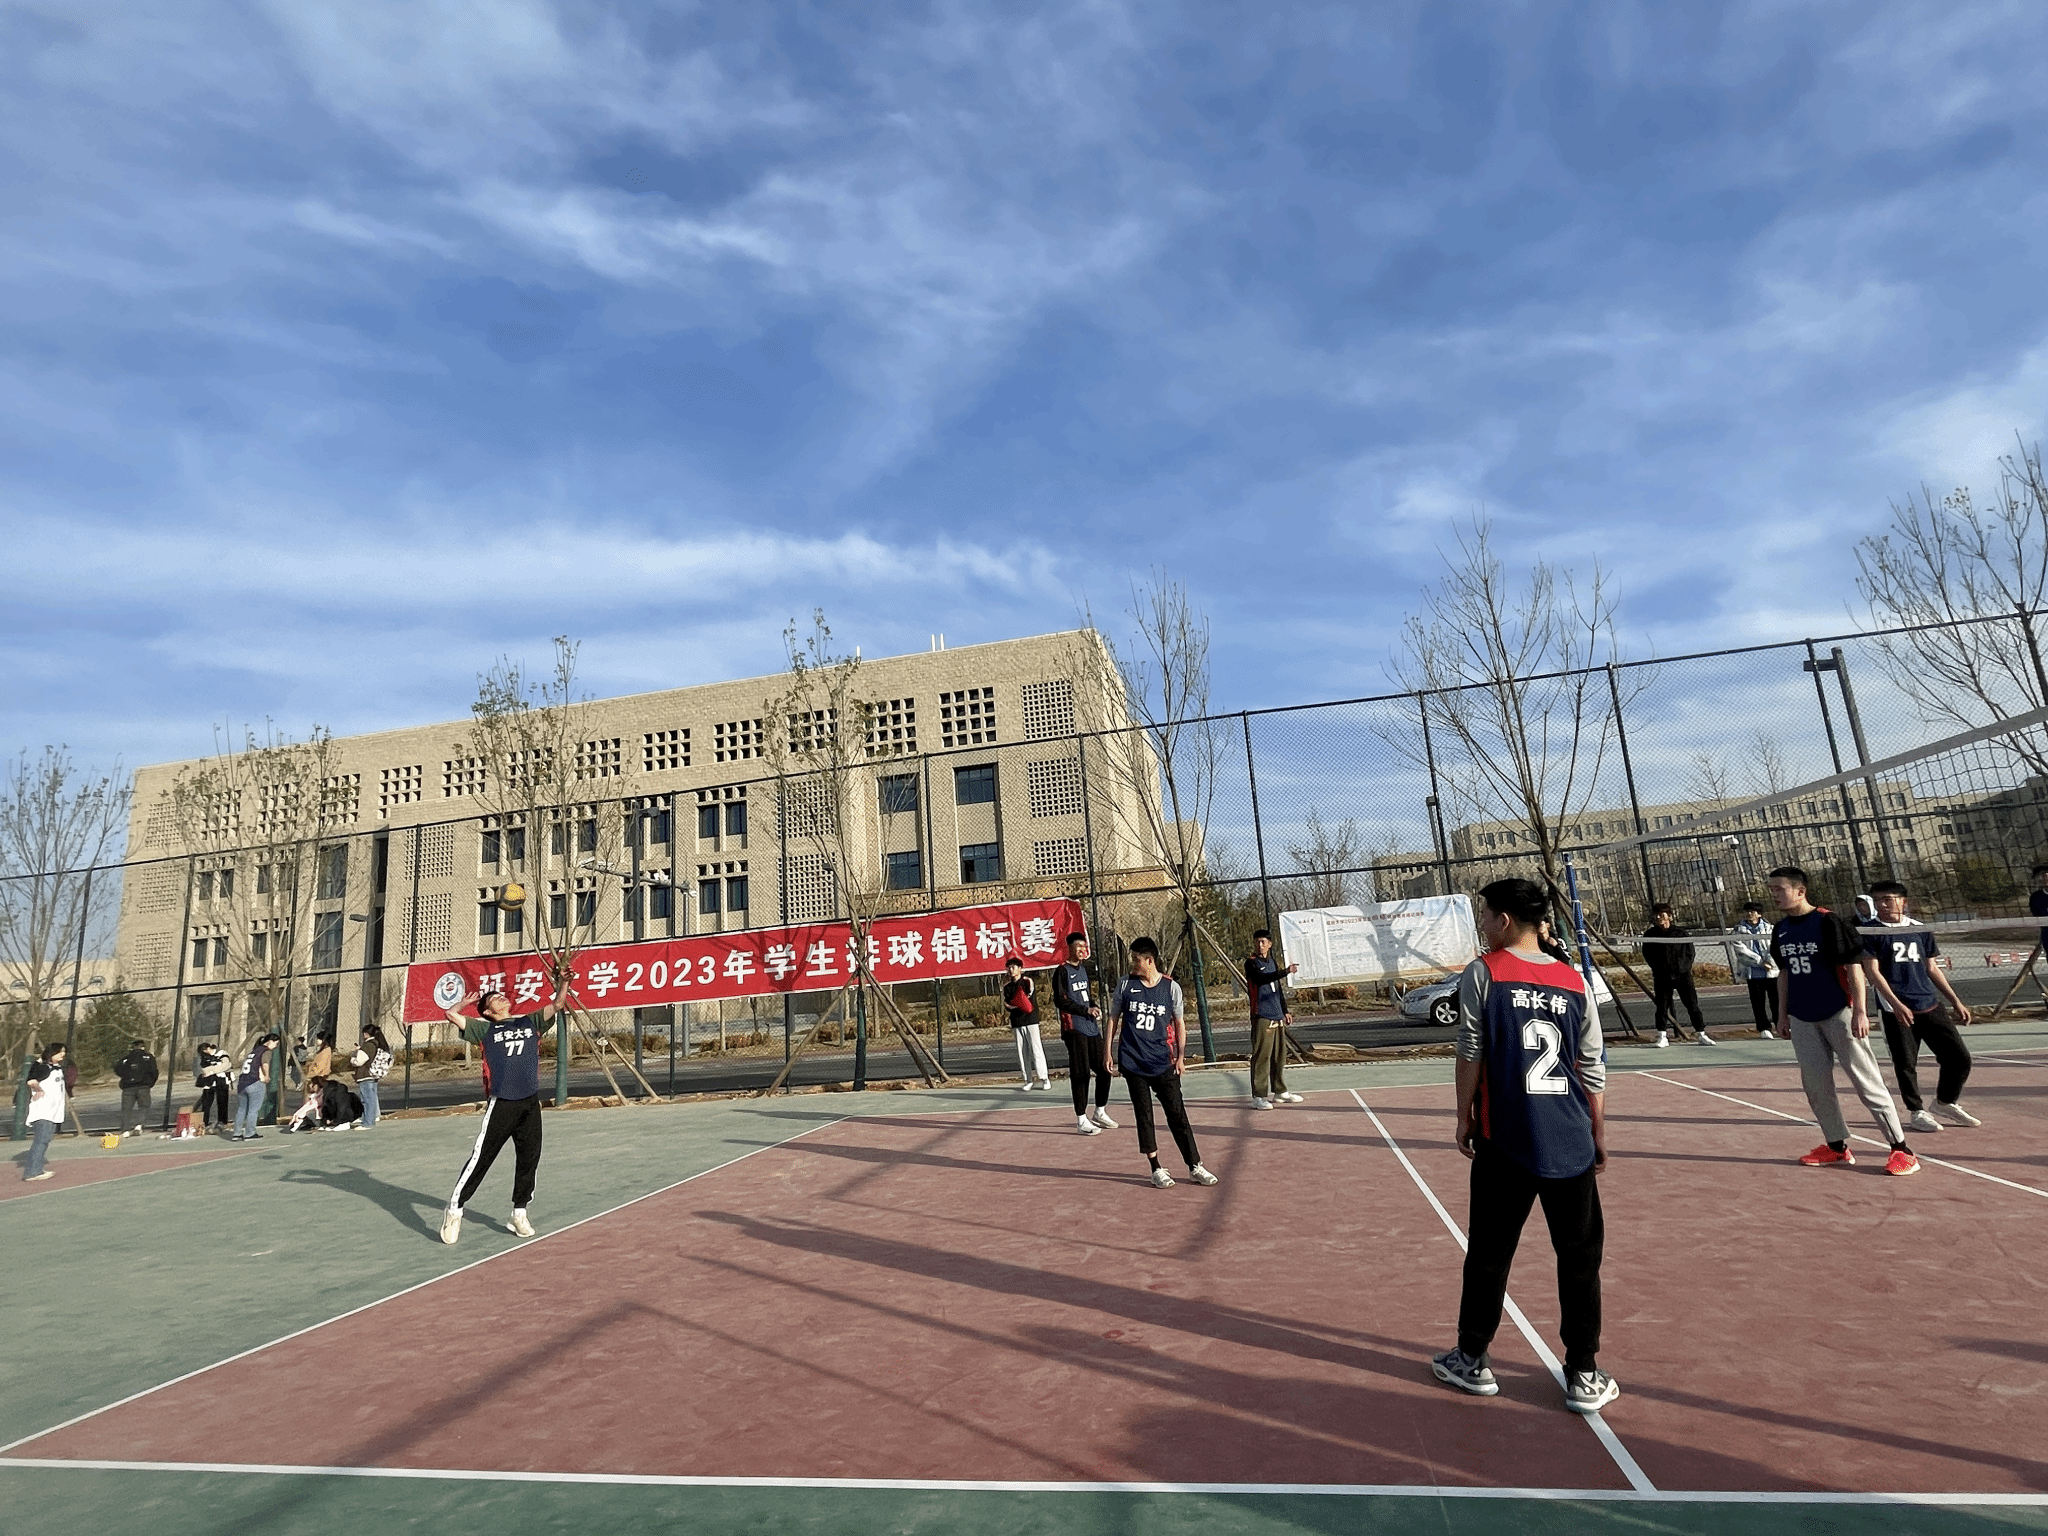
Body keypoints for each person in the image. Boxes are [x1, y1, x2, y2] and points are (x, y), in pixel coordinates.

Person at [1430, 878, 1616, 1415]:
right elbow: (1592, 1065)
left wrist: (1463, 1116)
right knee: (1579, 1258)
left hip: (1505, 1138)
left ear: (1505, 920)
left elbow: (1471, 1048)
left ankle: (1472, 1358)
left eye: (1485, 915)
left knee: (1489, 1253)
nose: (1483, 925)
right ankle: (1584, 1371)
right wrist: (1597, 1131)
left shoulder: (1485, 972)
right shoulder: (1574, 980)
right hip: (1570, 1137)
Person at [1768, 867, 1918, 1175]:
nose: (1775, 895)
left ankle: (1901, 1149)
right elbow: (1785, 973)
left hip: (1839, 1012)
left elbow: (1854, 968)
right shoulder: (1780, 929)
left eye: (1779, 889)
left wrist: (1860, 1011)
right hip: (1802, 1017)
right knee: (1816, 1086)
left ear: (1800, 891)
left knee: (1866, 1082)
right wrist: (1782, 1015)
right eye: (1772, 890)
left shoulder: (1829, 921)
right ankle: (1836, 1146)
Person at [440, 984, 568, 1244]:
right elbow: (450, 1014)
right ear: (488, 1012)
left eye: (501, 996)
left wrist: (564, 982)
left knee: (529, 1158)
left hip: (529, 1102)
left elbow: (557, 1004)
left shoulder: (529, 1022)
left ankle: (519, 1213)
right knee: (482, 1158)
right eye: (495, 999)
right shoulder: (484, 1030)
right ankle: (455, 1210)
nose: (501, 998)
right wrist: (464, 1003)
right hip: (503, 1103)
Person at [1858, 880, 1979, 1132]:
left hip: (1929, 1003)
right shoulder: (1869, 931)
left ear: (1903, 902)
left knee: (1959, 1057)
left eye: (1887, 899)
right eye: (1877, 900)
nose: (1882, 905)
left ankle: (1945, 1102)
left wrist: (1955, 1001)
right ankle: (1917, 1111)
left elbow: (1932, 968)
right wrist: (1896, 1004)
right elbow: (1872, 972)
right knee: (1906, 1064)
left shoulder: (1919, 928)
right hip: (1895, 1008)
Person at [1106, 937, 1218, 1189]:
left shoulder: (1170, 988)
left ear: (1149, 960)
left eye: (1136, 959)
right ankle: (1156, 1168)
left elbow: (1179, 1023)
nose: (1132, 964)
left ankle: (1195, 1165)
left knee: (1177, 1113)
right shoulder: (1125, 985)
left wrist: (1180, 1056)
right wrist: (1108, 1052)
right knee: (1144, 1114)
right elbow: (1113, 1018)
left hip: (1162, 1061)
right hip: (1133, 1062)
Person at [1053, 932, 1115, 1134]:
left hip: (1090, 1027)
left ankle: (1100, 1111)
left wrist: (1093, 1007)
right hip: (1074, 1027)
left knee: (1105, 1068)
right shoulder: (1062, 971)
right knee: (1081, 1073)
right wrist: (1084, 1010)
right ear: (1069, 948)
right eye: (1078, 946)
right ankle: (1081, 1119)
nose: (1082, 949)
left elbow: (1086, 996)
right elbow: (1061, 1001)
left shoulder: (1083, 969)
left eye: (1084, 946)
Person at [1246, 930, 1302, 1110]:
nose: (1260, 945)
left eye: (1263, 942)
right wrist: (1285, 972)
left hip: (1277, 1014)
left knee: (1279, 1056)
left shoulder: (1272, 962)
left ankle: (1280, 1091)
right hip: (1262, 1015)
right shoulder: (1251, 963)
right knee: (1262, 1057)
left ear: (1269, 944)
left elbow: (1277, 989)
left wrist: (1284, 1011)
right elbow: (1261, 979)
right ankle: (1259, 1096)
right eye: (1257, 942)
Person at [1642, 904, 1712, 1047]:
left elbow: (1690, 953)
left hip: (1683, 976)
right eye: (1656, 915)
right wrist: (1660, 969)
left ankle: (1701, 1034)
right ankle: (1662, 1036)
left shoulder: (1681, 933)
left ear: (1669, 916)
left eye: (1662, 915)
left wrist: (1682, 969)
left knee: (1692, 1005)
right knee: (1662, 1007)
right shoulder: (1650, 934)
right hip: (1662, 977)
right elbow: (1648, 955)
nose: (1659, 918)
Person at [1730, 902, 1780, 1039]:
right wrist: (1759, 962)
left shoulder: (1770, 928)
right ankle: (1763, 1027)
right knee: (1758, 1001)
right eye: (1747, 911)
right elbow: (1740, 950)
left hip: (1771, 971)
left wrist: (1769, 961)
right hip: (1752, 971)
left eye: (1752, 912)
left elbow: (1775, 946)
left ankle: (1780, 1024)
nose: (1749, 914)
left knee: (1776, 1000)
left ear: (1759, 914)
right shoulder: (1738, 930)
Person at [1002, 958, 1050, 1091]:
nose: (1011, 970)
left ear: (1020, 969)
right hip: (1016, 1023)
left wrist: (1017, 1003)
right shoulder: (1006, 987)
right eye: (1009, 967)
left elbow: (1025, 1000)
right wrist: (1016, 1004)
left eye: (1014, 967)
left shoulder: (1027, 982)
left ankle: (1044, 1078)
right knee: (1022, 1053)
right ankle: (1028, 1080)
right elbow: (1007, 1004)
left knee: (1036, 1049)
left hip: (1031, 1020)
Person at [22, 1043, 67, 1182]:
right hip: (43, 1111)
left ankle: (37, 1169)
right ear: (51, 1053)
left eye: (64, 1052)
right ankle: (32, 1172)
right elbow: (31, 1080)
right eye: (59, 1052)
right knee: (41, 1141)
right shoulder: (44, 1068)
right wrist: (38, 1089)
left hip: (53, 1111)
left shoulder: (56, 1068)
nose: (62, 1054)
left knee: (45, 1140)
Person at [281, 1032, 335, 1133]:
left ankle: (312, 1120)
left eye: (318, 1039)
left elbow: (319, 1067)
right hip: (317, 1079)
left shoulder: (325, 1051)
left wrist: (311, 1076)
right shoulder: (324, 1050)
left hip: (317, 1079)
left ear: (323, 1040)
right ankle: (309, 1121)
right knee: (311, 1102)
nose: (316, 1041)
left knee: (312, 1102)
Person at [231, 1031, 279, 1142]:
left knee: (242, 1109)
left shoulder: (253, 1051)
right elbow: (265, 1063)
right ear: (270, 1041)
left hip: (242, 1083)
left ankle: (237, 1133)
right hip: (255, 1081)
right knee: (253, 1110)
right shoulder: (266, 1051)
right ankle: (250, 1133)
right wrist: (267, 1076)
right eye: (276, 1043)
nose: (276, 1046)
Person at [349, 1024, 394, 1129]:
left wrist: (352, 1059)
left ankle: (368, 1122)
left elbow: (359, 1061)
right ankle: (373, 1117)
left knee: (367, 1100)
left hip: (365, 1075)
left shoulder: (368, 1045)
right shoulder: (377, 1044)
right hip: (373, 1075)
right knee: (372, 1098)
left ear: (366, 1034)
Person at [115, 1039, 159, 1136]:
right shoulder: (148, 1057)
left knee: (126, 1109)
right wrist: (150, 1082)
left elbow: (118, 1069)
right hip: (143, 1086)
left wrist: (126, 1077)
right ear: (143, 1047)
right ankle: (139, 1125)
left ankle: (125, 1130)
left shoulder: (126, 1058)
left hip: (128, 1087)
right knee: (144, 1106)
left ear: (133, 1047)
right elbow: (154, 1071)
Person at [194, 1041, 234, 1135]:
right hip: (209, 1083)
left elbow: (226, 1065)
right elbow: (203, 1069)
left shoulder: (222, 1053)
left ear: (208, 1048)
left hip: (222, 1082)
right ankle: (204, 1123)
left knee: (222, 1103)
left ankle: (222, 1122)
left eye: (204, 1052)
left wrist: (212, 1071)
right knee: (206, 1103)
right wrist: (215, 1068)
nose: (203, 1054)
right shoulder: (203, 1058)